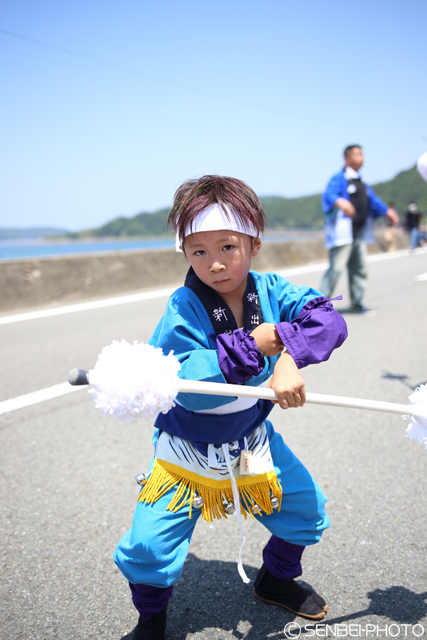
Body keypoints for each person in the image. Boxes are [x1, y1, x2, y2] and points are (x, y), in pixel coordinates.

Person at [114, 175, 348, 640]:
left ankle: (275, 579)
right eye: (199, 251)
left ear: (255, 243)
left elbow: (328, 318)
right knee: (147, 549)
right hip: (185, 451)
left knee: (306, 511)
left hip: (250, 440)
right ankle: (152, 617)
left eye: (227, 246)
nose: (215, 263)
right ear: (184, 253)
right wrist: (256, 344)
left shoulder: (273, 290)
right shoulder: (183, 306)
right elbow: (185, 382)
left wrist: (288, 355)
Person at [320, 145, 399, 313]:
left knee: (359, 269)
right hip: (343, 234)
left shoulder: (361, 181)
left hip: (359, 232)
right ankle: (317, 307)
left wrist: (387, 211)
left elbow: (373, 200)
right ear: (347, 159)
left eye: (362, 154)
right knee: (335, 269)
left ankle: (357, 303)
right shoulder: (339, 178)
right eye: (357, 155)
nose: (361, 158)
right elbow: (329, 194)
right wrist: (341, 202)